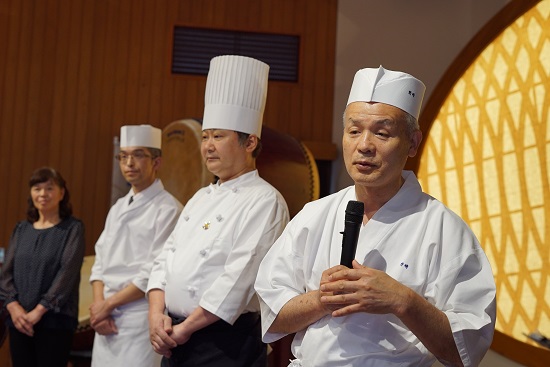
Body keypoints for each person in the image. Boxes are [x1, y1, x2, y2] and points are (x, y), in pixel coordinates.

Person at [254, 66, 497, 367]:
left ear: (412, 143)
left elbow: (465, 351)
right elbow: (273, 314)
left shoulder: (444, 228)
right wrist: (323, 298)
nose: (364, 146)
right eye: (354, 131)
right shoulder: (314, 215)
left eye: (382, 133)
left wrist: (402, 300)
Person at [147, 55, 290, 367]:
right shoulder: (200, 197)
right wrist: (157, 315)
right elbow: (164, 257)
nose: (208, 146)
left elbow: (237, 280)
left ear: (249, 141)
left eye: (218, 136)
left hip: (225, 345)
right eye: (205, 136)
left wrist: (185, 328)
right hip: (175, 337)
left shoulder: (266, 201)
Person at [89, 124, 183, 366]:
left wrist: (108, 305)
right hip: (105, 319)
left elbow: (154, 270)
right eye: (124, 156)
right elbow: (99, 259)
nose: (129, 163)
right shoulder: (118, 206)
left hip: (138, 317)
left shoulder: (169, 208)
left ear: (157, 162)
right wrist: (99, 305)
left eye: (138, 155)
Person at [0, 167, 85, 367]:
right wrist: (14, 308)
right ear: (31, 193)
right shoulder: (21, 229)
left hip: (55, 321)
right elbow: (6, 273)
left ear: (62, 193)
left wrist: (39, 311)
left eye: (49, 188)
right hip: (19, 320)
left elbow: (67, 273)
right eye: (37, 188)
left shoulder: (72, 228)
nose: (43, 194)